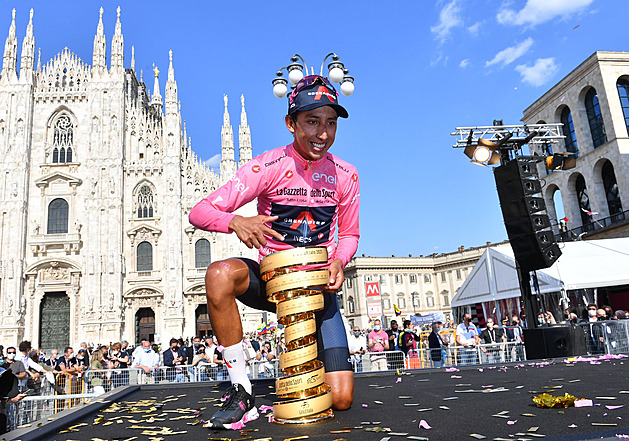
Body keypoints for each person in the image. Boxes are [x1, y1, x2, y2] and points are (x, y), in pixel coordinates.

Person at [188, 74, 359, 429]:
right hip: (272, 283)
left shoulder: (346, 174)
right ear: (290, 123)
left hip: (318, 293)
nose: (322, 133)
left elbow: (351, 234)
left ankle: (308, 364)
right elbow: (199, 211)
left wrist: (340, 261)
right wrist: (237, 221)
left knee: (340, 399)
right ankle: (241, 390)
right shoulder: (266, 166)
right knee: (219, 274)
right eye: (312, 121)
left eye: (330, 122)